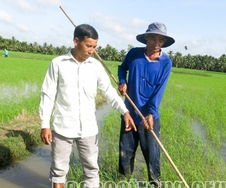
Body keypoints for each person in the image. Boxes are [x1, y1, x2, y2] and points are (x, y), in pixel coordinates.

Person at [39, 24, 136, 188]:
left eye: (95, 47)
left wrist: (125, 111)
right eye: (88, 46)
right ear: (76, 41)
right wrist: (44, 125)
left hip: (88, 129)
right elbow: (47, 95)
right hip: (62, 127)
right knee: (58, 171)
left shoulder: (95, 66)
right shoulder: (58, 63)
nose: (92, 51)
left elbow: (108, 92)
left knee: (91, 171)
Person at [117, 22, 175, 186]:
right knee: (125, 153)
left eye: (161, 40)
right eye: (154, 38)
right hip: (129, 114)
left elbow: (159, 91)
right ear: (147, 37)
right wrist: (122, 82)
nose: (157, 43)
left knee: (152, 155)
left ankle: (155, 183)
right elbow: (122, 69)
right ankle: (123, 181)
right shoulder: (134, 54)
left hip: (149, 117)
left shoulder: (165, 63)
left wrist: (150, 113)